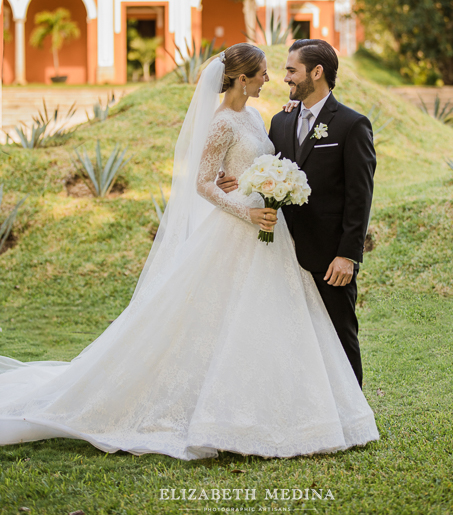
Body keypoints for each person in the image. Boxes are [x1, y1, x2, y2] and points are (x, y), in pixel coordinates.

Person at [0, 43, 379, 460]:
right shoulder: (248, 120)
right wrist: (245, 206)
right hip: (243, 232)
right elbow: (204, 182)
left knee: (295, 325)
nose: (276, 78)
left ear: (317, 72)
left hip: (290, 242)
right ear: (241, 78)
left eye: (288, 70)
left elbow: (335, 188)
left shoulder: (285, 119)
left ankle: (336, 408)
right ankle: (233, 414)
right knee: (228, 323)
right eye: (268, 72)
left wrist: (256, 189)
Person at [218, 40, 375, 388]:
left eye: (292, 70)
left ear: (316, 73)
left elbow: (359, 198)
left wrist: (347, 255)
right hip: (282, 254)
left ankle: (354, 414)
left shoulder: (352, 125)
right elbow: (266, 170)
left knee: (339, 335)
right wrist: (234, 180)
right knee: (295, 341)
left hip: (329, 256)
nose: (284, 77)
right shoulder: (280, 122)